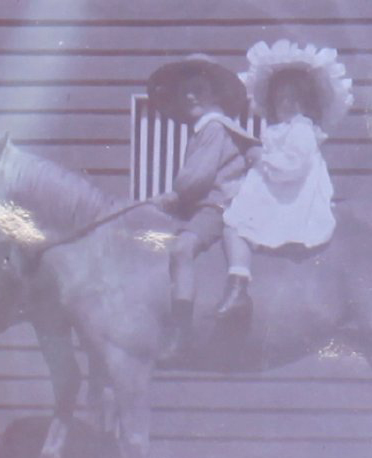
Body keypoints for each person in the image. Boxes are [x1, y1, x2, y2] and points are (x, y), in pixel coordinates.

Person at [218, 40, 353, 316]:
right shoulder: (278, 130)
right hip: (273, 184)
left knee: (237, 222)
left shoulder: (302, 130)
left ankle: (239, 283)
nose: (287, 104)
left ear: (307, 104)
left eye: (295, 99)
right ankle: (238, 282)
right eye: (280, 99)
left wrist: (262, 159)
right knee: (233, 219)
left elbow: (293, 166)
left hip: (292, 187)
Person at [147, 54, 257, 355]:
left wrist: (173, 196)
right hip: (211, 203)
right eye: (185, 92)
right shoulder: (213, 128)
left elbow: (197, 179)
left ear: (216, 95)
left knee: (181, 249)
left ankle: (182, 332)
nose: (191, 96)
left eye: (199, 89)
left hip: (219, 206)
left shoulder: (213, 128)